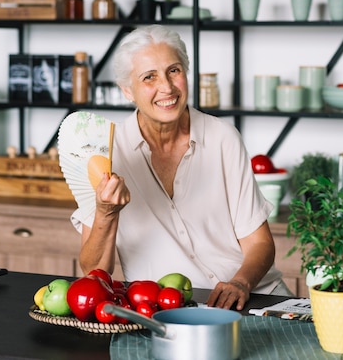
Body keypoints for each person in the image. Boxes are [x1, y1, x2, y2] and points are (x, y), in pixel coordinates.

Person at [70, 25, 291, 311]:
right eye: (149, 77)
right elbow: (95, 270)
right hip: (171, 310)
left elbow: (259, 242)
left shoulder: (223, 138)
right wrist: (105, 212)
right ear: (127, 90)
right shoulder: (106, 153)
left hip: (255, 298)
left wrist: (241, 282)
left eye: (173, 70)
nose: (167, 87)